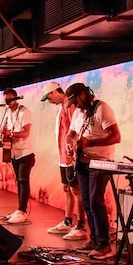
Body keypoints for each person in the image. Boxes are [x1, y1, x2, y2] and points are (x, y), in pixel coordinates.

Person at [65, 83, 121, 260]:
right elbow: (71, 133)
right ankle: (94, 240)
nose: (76, 105)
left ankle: (104, 245)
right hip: (83, 160)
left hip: (100, 162)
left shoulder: (102, 108)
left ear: (84, 94)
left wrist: (92, 143)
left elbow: (116, 136)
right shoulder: (78, 112)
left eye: (77, 100)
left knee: (96, 202)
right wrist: (69, 142)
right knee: (87, 202)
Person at [41, 82, 88, 241]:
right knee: (66, 188)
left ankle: (81, 225)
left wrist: (73, 154)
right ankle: (68, 221)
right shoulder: (63, 107)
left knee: (76, 190)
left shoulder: (70, 106)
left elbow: (75, 132)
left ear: (55, 92)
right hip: (63, 156)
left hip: (71, 157)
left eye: (49, 97)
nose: (50, 101)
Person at [2, 88, 36, 224]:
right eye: (5, 100)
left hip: (25, 153)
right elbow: (6, 130)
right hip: (15, 153)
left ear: (15, 98)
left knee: (23, 180)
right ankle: (19, 210)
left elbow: (26, 133)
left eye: (10, 99)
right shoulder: (7, 113)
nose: (8, 102)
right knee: (19, 181)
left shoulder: (24, 112)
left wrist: (10, 134)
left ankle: (22, 211)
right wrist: (3, 135)